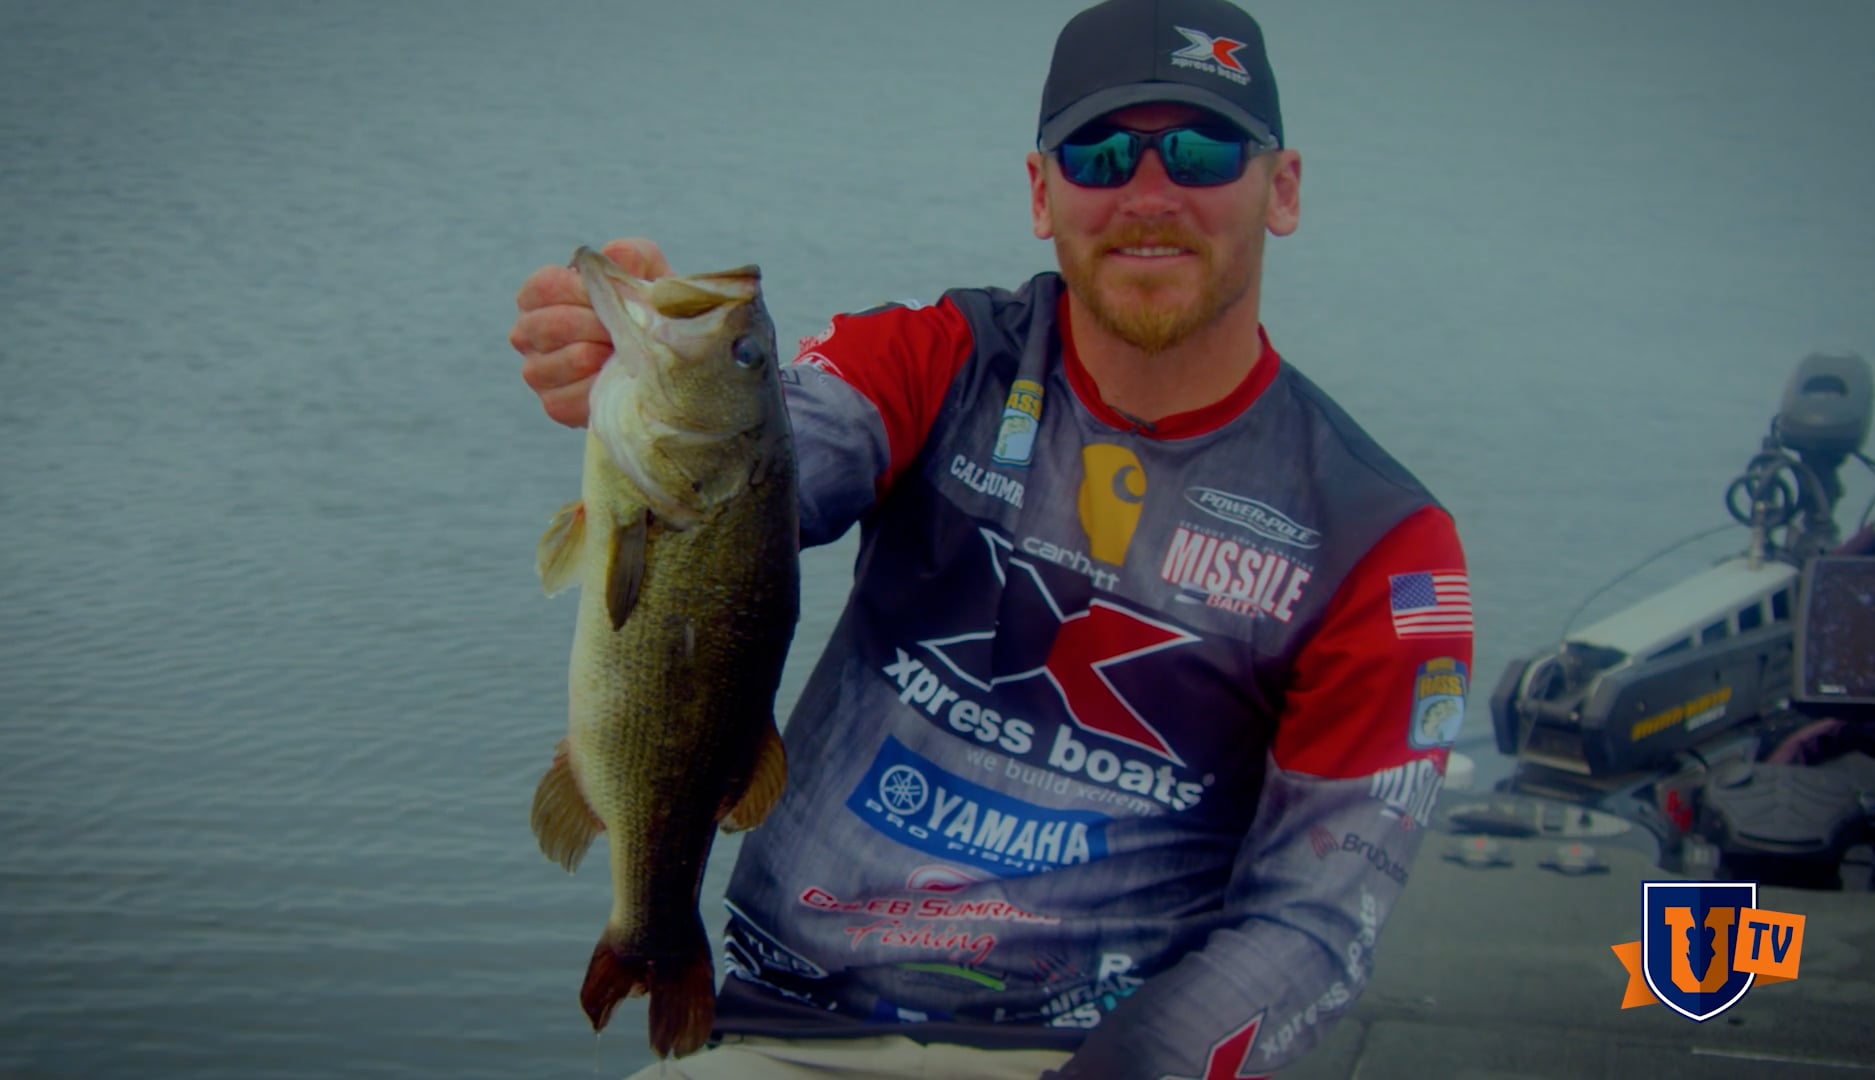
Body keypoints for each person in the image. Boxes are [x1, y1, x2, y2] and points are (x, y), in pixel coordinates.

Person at [509, 0, 1473, 1075]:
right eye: (1100, 153)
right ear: (1040, 190)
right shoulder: (940, 359)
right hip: (786, 1026)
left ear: (1281, 188)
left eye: (1202, 152)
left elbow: (1313, 926)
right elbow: (769, 468)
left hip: (1079, 1054)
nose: (1149, 196)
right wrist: (633, 382)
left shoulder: (1382, 544)